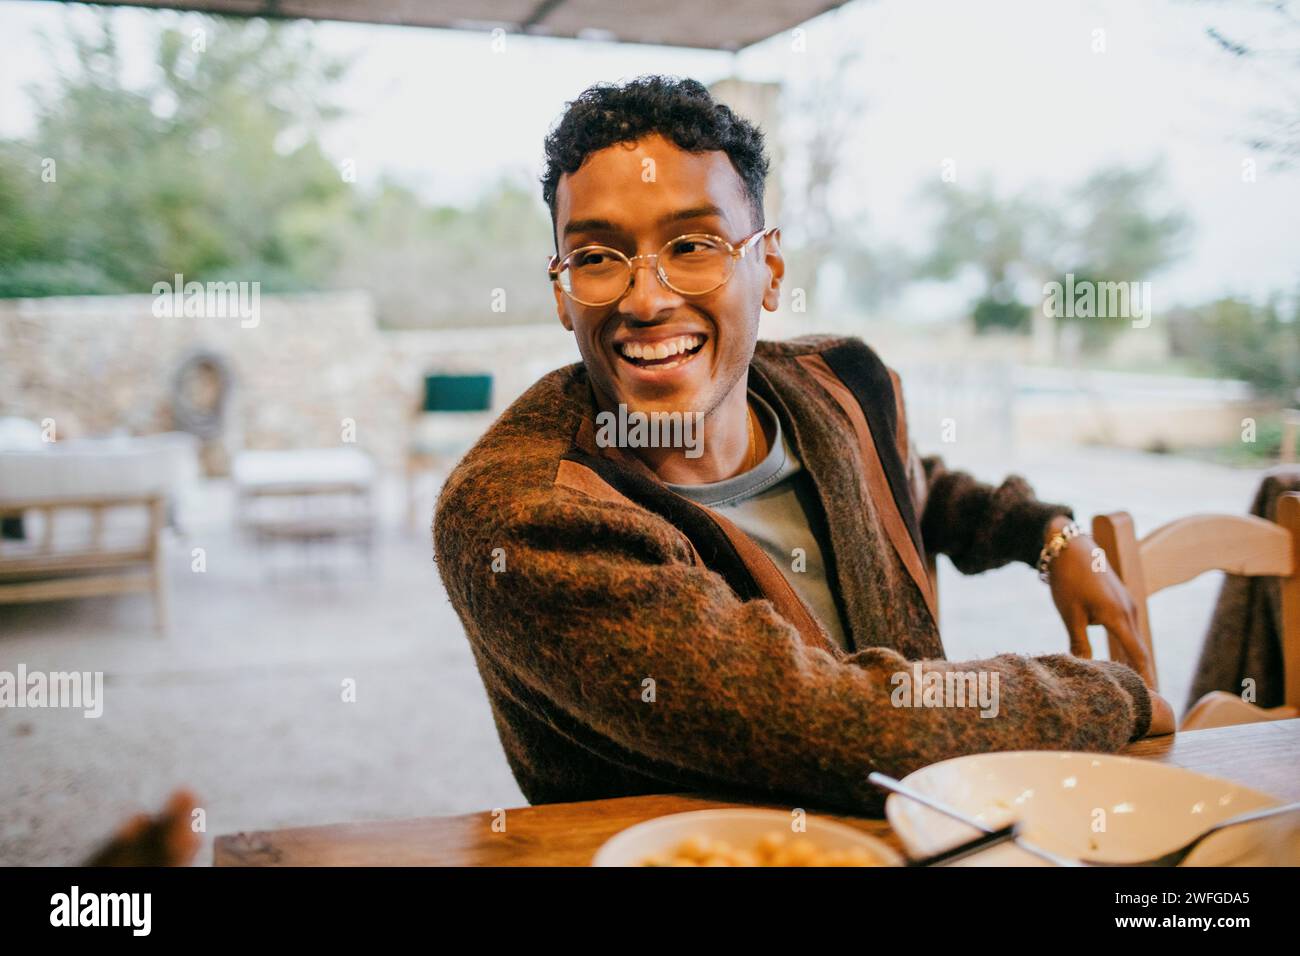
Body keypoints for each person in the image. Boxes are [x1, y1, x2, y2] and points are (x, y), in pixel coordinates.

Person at [433, 75, 1175, 815]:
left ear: (770, 269)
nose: (647, 299)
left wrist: (1048, 534)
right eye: (596, 257)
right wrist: (1109, 697)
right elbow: (830, 725)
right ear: (562, 292)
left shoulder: (841, 386)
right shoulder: (522, 513)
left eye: (694, 245)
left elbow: (909, 484)